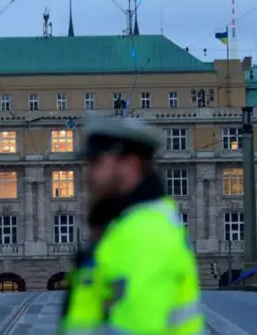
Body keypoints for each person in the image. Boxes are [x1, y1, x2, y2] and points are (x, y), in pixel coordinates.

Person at [59, 117, 205, 335]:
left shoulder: (144, 233)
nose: (88, 174)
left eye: (97, 162)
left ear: (130, 165)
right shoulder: (121, 226)